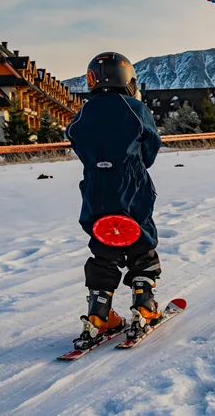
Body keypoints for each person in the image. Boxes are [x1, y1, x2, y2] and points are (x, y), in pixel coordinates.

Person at [66, 52, 163, 349]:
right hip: (132, 188)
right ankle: (144, 305)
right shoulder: (135, 107)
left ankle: (98, 315)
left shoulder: (85, 111)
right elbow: (151, 146)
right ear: (128, 79)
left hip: (96, 190)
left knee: (103, 247)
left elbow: (75, 138)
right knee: (140, 242)